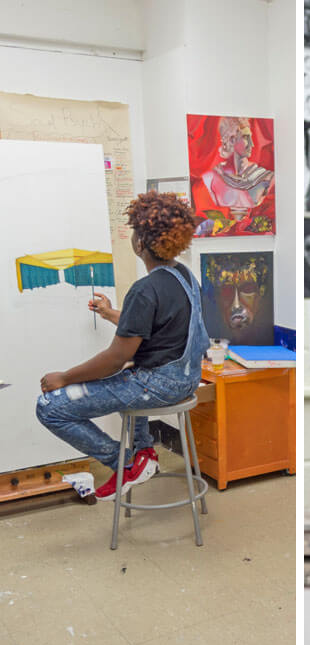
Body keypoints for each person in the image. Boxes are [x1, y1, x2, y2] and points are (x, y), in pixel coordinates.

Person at [36, 192, 208, 501]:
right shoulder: (184, 276)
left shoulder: (145, 289)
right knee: (128, 375)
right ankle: (145, 454)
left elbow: (116, 357)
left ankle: (126, 462)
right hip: (187, 379)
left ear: (141, 243)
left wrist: (63, 378)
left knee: (49, 408)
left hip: (157, 386)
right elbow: (155, 332)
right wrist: (110, 313)